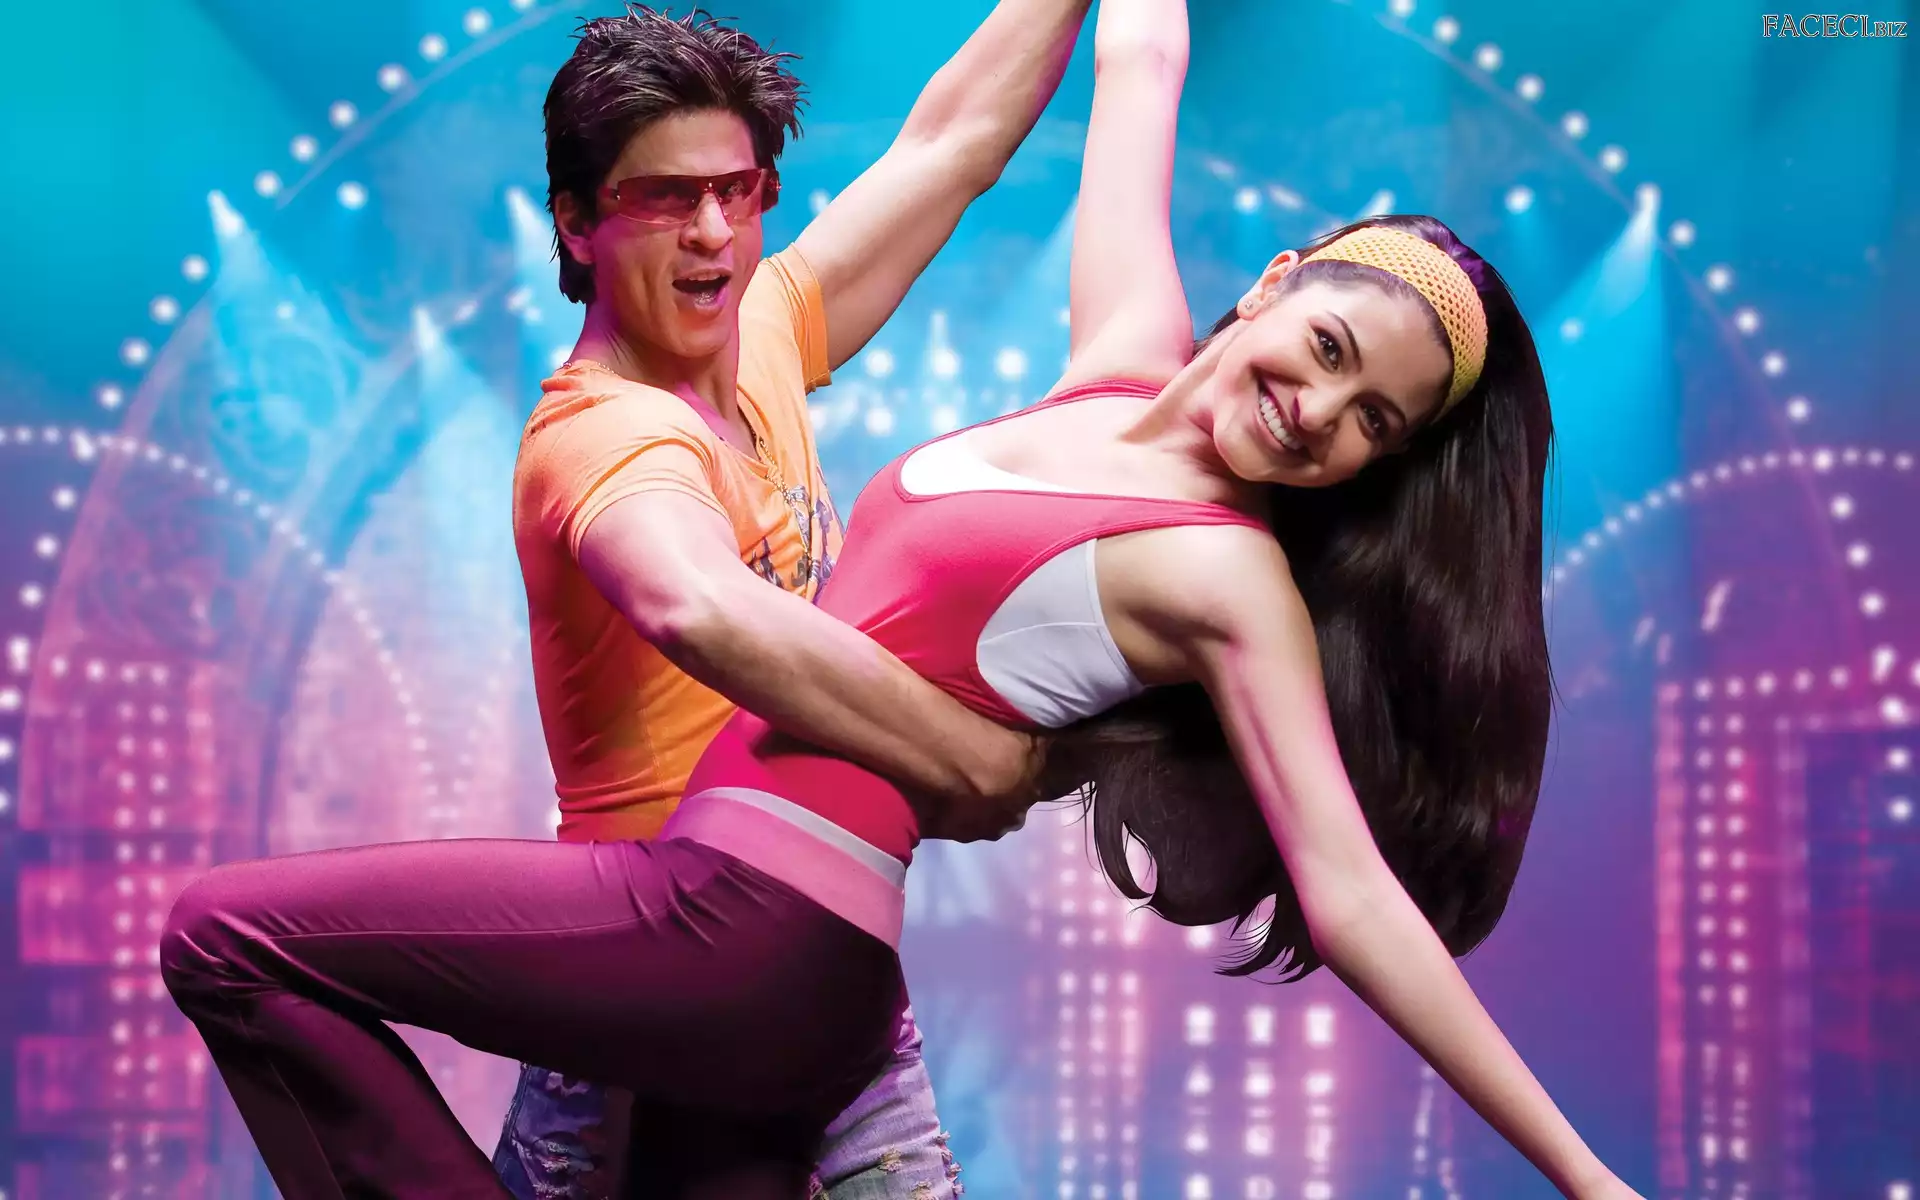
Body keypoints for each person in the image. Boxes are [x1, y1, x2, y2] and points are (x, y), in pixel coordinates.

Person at [159, 4, 1642, 1200]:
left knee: (223, 938)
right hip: (783, 968)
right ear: (1272, 287)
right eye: (1327, 349)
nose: (1319, 410)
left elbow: (1354, 896)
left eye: (1374, 421)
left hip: (743, 922)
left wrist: (1585, 1178)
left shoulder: (1228, 575)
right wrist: (967, 755)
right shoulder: (1120, 356)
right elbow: (1115, 73)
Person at [497, 4, 1087, 1197]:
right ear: (576, 221)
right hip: (647, 996)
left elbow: (954, 141)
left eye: (739, 190)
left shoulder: (757, 331)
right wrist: (976, 759)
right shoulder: (604, 434)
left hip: (815, 956)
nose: (713, 231)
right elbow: (700, 608)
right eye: (665, 197)